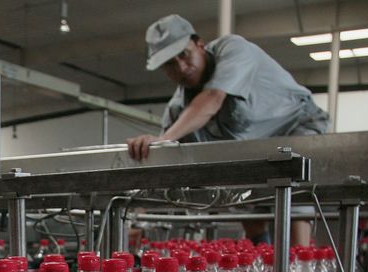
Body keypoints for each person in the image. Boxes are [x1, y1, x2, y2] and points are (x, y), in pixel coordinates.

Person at [127, 14, 329, 245]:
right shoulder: (178, 110)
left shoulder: (233, 49)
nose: (181, 68)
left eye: (184, 54)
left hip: (297, 126)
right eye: (170, 65)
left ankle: (296, 270)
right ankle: (262, 268)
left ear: (200, 44)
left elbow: (212, 98)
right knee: (243, 201)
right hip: (254, 152)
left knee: (292, 195)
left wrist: (163, 139)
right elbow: (164, 156)